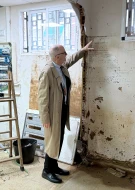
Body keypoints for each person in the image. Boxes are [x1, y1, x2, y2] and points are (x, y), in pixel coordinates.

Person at [38, 41, 94, 183]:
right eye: (64, 53)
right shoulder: (47, 72)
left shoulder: (60, 66)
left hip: (62, 110)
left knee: (59, 138)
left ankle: (54, 167)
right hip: (51, 115)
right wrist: (45, 118)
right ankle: (46, 170)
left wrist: (83, 51)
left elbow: (71, 59)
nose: (66, 55)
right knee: (52, 141)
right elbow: (42, 98)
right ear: (57, 56)